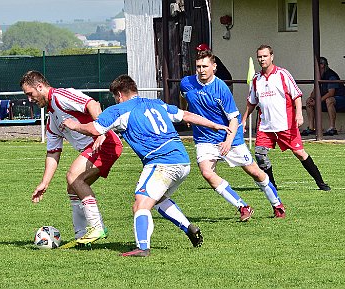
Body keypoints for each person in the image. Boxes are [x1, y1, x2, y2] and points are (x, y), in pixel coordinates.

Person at [62, 74, 230, 257]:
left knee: (140, 203)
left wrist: (75, 125)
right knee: (157, 200)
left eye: (115, 97)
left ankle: (142, 248)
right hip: (182, 160)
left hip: (162, 162)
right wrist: (214, 125)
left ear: (119, 94)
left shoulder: (119, 110)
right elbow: (186, 115)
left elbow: (94, 129)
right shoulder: (157, 103)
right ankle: (188, 227)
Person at [20, 70, 123, 247]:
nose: (30, 99)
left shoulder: (60, 96)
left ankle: (97, 227)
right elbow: (53, 152)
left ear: (40, 86)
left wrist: (101, 131)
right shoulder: (52, 118)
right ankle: (82, 237)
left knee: (74, 176)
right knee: (72, 186)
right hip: (96, 147)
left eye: (30, 94)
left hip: (105, 144)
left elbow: (92, 104)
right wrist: (45, 182)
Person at [180, 49, 286, 222]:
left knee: (254, 172)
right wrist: (187, 114)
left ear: (214, 67)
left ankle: (277, 204)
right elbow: (184, 97)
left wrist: (228, 141)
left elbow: (234, 119)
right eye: (198, 66)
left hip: (229, 136)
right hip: (204, 138)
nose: (201, 70)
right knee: (207, 173)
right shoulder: (187, 83)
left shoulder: (221, 88)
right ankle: (242, 206)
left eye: (205, 66)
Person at [241, 44, 330, 191]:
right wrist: (244, 120)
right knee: (260, 154)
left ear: (272, 57)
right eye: (260, 57)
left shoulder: (282, 74)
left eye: (265, 56)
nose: (262, 59)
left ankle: (321, 183)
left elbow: (297, 95)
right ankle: (271, 186)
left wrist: (299, 115)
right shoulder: (256, 79)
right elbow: (252, 102)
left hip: (285, 124)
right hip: (265, 126)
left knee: (299, 153)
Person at [301, 56, 345, 136]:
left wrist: (317, 102)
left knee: (329, 100)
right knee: (308, 101)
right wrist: (312, 99)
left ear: (323, 65)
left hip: (342, 98)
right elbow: (314, 93)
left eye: (318, 65)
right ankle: (311, 128)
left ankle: (332, 128)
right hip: (327, 100)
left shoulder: (331, 75)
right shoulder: (319, 75)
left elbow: (331, 93)